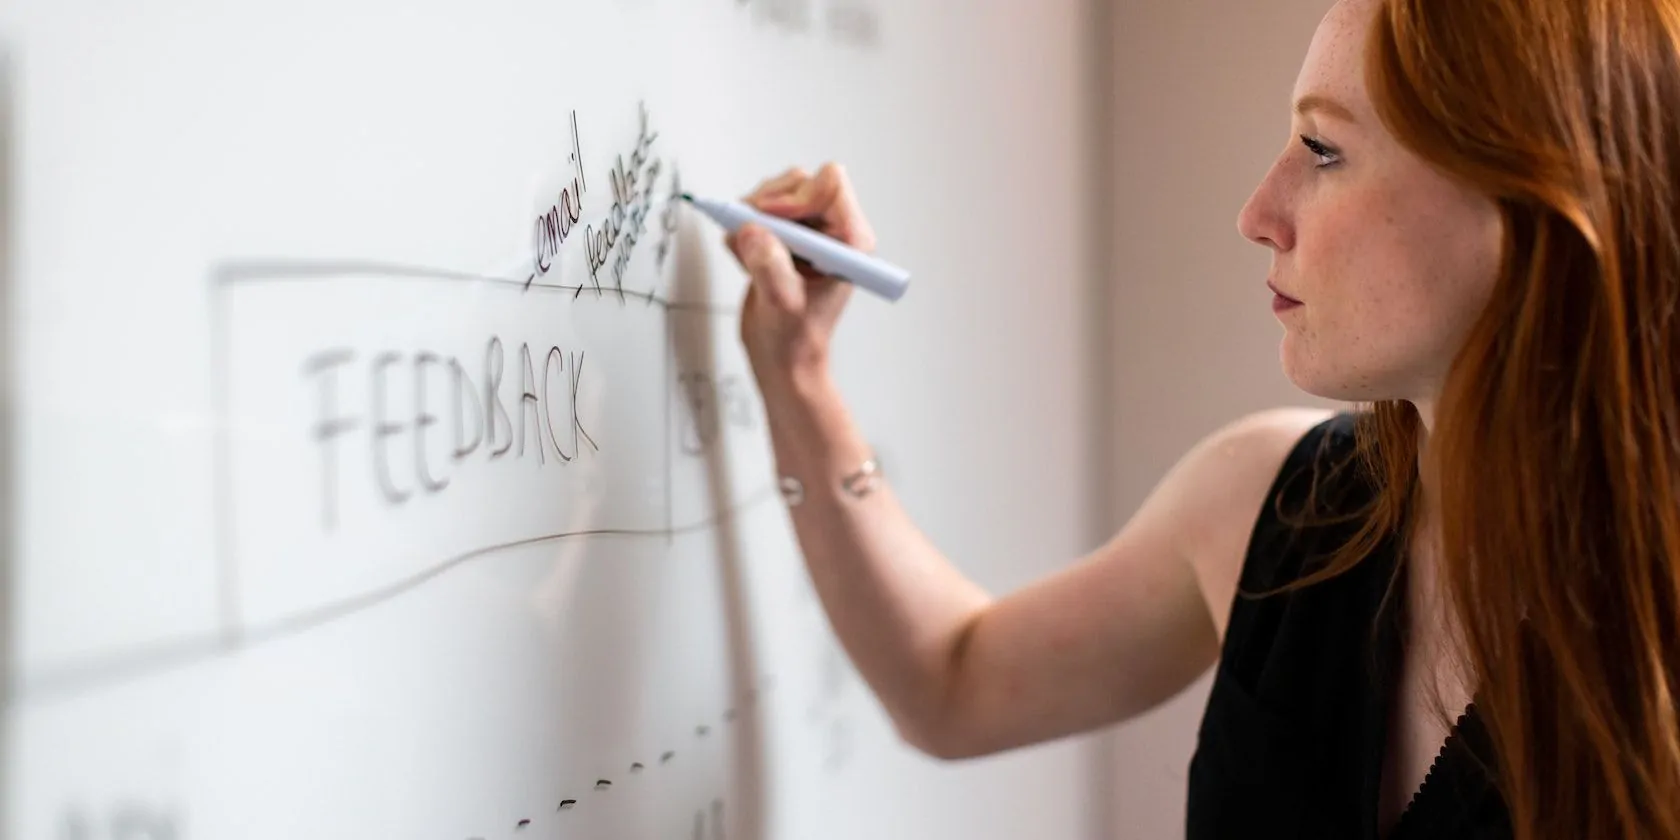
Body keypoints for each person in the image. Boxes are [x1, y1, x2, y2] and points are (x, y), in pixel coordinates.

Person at [722, 0, 1680, 837]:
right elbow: (950, 684)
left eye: (1324, 150)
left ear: (1530, 203)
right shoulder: (1277, 506)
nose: (1258, 211)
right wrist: (800, 378)